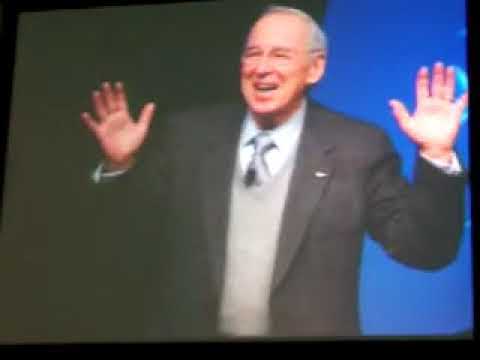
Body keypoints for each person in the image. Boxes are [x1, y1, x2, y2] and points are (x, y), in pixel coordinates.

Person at [81, 6, 468, 339]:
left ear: (315, 68)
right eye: (253, 54)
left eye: (280, 55)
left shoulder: (359, 148)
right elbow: (123, 246)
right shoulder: (188, 137)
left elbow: (426, 250)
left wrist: (437, 153)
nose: (262, 68)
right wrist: (120, 167)